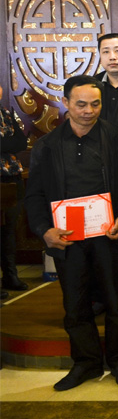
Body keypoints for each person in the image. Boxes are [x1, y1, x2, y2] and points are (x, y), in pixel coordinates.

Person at [23, 75, 118, 391]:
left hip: (108, 235)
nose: (89, 111)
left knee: (116, 302)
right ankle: (85, 363)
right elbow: (34, 195)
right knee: (75, 305)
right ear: (66, 103)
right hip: (68, 238)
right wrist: (44, 230)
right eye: (81, 104)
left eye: (95, 104)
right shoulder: (47, 146)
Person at [1, 86, 29, 295]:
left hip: (12, 177)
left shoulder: (5, 113)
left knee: (9, 230)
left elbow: (21, 141)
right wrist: (7, 144)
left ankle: (10, 275)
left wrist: (6, 144)